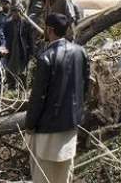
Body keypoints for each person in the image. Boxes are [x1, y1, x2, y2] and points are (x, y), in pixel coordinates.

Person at [26, 14, 90, 183]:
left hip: (47, 127)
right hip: (71, 125)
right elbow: (85, 87)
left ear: (49, 30)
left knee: (43, 175)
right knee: (64, 175)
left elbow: (38, 97)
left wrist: (30, 125)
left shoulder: (46, 57)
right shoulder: (80, 52)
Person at [4, 4, 36, 88]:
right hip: (11, 51)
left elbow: (31, 40)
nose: (15, 13)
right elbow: (4, 37)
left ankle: (22, 91)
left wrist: (32, 53)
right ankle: (11, 90)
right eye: (13, 11)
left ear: (21, 12)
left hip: (22, 51)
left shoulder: (26, 24)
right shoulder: (8, 24)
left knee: (22, 72)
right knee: (10, 71)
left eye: (17, 11)